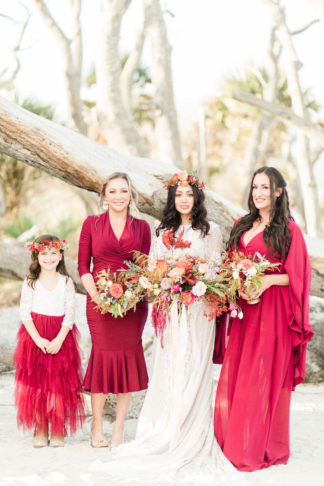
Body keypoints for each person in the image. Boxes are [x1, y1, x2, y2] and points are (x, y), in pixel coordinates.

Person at [96, 171, 245, 485]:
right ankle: (166, 430)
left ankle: (191, 430)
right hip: (172, 312)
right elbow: (153, 269)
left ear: (197, 198)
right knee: (170, 367)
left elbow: (216, 271)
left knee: (194, 369)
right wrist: (168, 281)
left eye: (189, 194)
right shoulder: (162, 229)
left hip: (200, 312)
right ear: (172, 199)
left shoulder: (211, 231)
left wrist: (195, 279)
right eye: (179, 194)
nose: (184, 199)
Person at [214, 166, 314, 471]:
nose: (258, 193)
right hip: (245, 310)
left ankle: (261, 445)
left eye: (265, 188)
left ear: (279, 192)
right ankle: (234, 438)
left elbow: (298, 276)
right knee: (242, 371)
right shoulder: (241, 224)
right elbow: (231, 263)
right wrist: (239, 285)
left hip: (274, 312)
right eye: (255, 186)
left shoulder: (290, 231)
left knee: (264, 375)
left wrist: (267, 281)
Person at [78, 172, 151, 448]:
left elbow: (143, 267)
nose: (119, 197)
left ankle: (118, 427)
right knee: (103, 358)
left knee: (126, 359)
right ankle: (97, 425)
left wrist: (132, 296)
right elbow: (84, 265)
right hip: (98, 302)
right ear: (104, 196)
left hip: (133, 305)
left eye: (124, 191)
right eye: (113, 192)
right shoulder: (91, 224)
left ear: (130, 194)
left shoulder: (142, 227)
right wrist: (97, 295)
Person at [14, 235, 85, 448]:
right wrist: (38, 340)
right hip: (34, 336)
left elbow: (70, 315)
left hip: (60, 336)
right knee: (37, 385)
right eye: (44, 254)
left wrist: (58, 340)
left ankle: (57, 428)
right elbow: (25, 314)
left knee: (59, 386)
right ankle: (40, 427)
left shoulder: (66, 282)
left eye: (53, 253)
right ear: (37, 255)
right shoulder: (30, 282)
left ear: (61, 255)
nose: (49, 258)